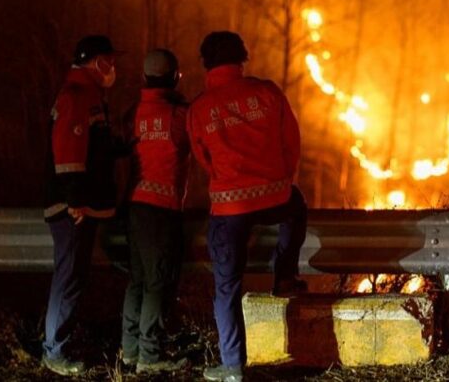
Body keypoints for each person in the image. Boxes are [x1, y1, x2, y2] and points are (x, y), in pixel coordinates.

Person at [186, 31, 308, 382]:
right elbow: (291, 140)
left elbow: (203, 158)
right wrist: (282, 179)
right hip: (276, 197)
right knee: (296, 206)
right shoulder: (267, 92)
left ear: (207, 63)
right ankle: (284, 274)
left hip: (229, 208)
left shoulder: (199, 109)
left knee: (227, 287)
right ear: (243, 58)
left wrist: (228, 184)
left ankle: (232, 366)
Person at [42, 35, 122, 376]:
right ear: (96, 62)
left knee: (73, 277)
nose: (114, 67)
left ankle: (57, 347)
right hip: (72, 208)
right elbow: (69, 154)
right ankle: (55, 352)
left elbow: (96, 147)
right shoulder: (78, 95)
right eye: (109, 60)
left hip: (81, 206)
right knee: (69, 277)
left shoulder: (88, 95)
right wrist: (75, 201)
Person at [120, 49, 189, 373]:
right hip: (163, 209)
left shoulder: (132, 113)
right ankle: (150, 356)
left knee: (138, 279)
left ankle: (130, 350)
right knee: (158, 282)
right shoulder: (180, 116)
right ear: (175, 76)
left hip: (135, 206)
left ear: (145, 78)